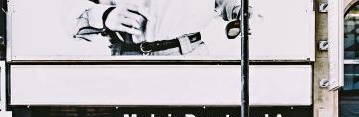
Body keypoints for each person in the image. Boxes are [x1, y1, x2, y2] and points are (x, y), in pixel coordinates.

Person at [69, 0, 251, 56]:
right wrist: (104, 15)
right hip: (127, 58)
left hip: (188, 56)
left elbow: (226, 2)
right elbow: (67, 10)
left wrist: (240, 10)